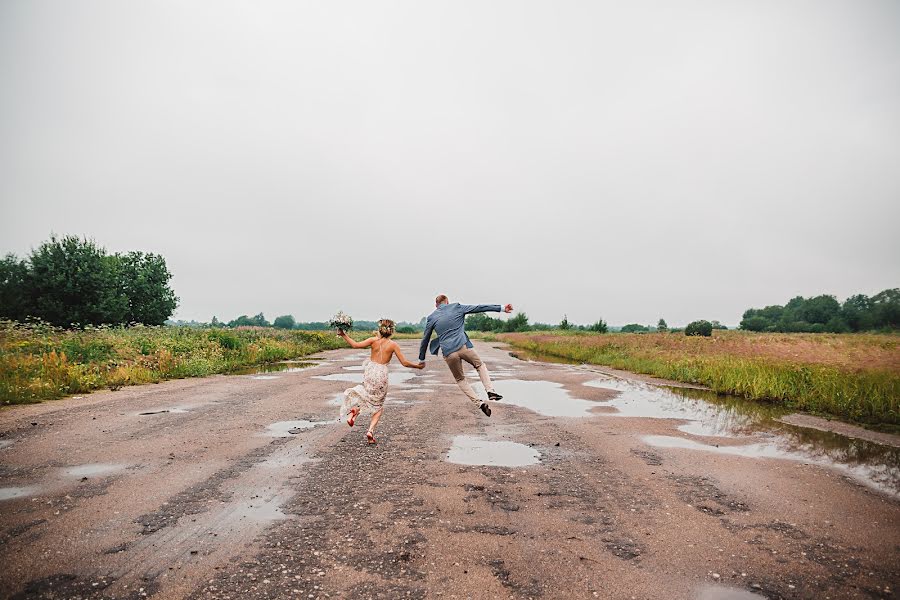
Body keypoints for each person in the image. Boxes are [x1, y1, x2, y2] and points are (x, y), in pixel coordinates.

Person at [419, 295, 513, 416]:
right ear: (447, 302)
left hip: (449, 353)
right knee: (480, 365)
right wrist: (501, 308)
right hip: (463, 346)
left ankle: (480, 404)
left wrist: (421, 358)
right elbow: (479, 308)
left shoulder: (432, 317)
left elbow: (425, 340)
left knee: (460, 379)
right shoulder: (457, 307)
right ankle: (490, 391)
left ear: (436, 305)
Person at [337, 319, 424, 444]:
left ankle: (355, 412)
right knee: (378, 405)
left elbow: (355, 345)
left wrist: (343, 334)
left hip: (370, 370)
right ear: (391, 332)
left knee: (368, 397)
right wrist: (418, 366)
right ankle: (370, 431)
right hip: (382, 373)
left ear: (380, 330)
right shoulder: (393, 345)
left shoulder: (373, 340)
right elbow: (404, 363)